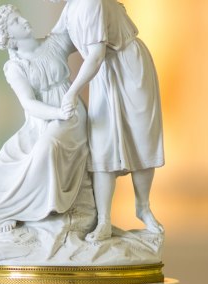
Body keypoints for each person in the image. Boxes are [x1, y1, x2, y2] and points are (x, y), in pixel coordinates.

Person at [0, 5, 92, 248]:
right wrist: (55, 113)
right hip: (42, 120)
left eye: (19, 16)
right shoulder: (15, 68)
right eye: (14, 21)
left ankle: (29, 213)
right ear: (8, 37)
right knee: (2, 163)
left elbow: (72, 21)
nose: (23, 21)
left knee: (47, 147)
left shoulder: (52, 45)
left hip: (70, 116)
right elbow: (29, 104)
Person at [51, 0, 164, 240]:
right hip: (105, 75)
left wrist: (72, 93)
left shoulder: (91, 3)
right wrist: (24, 51)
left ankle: (143, 207)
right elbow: (56, 43)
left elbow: (95, 55)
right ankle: (103, 220)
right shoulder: (72, 8)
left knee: (141, 139)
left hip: (129, 67)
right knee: (103, 145)